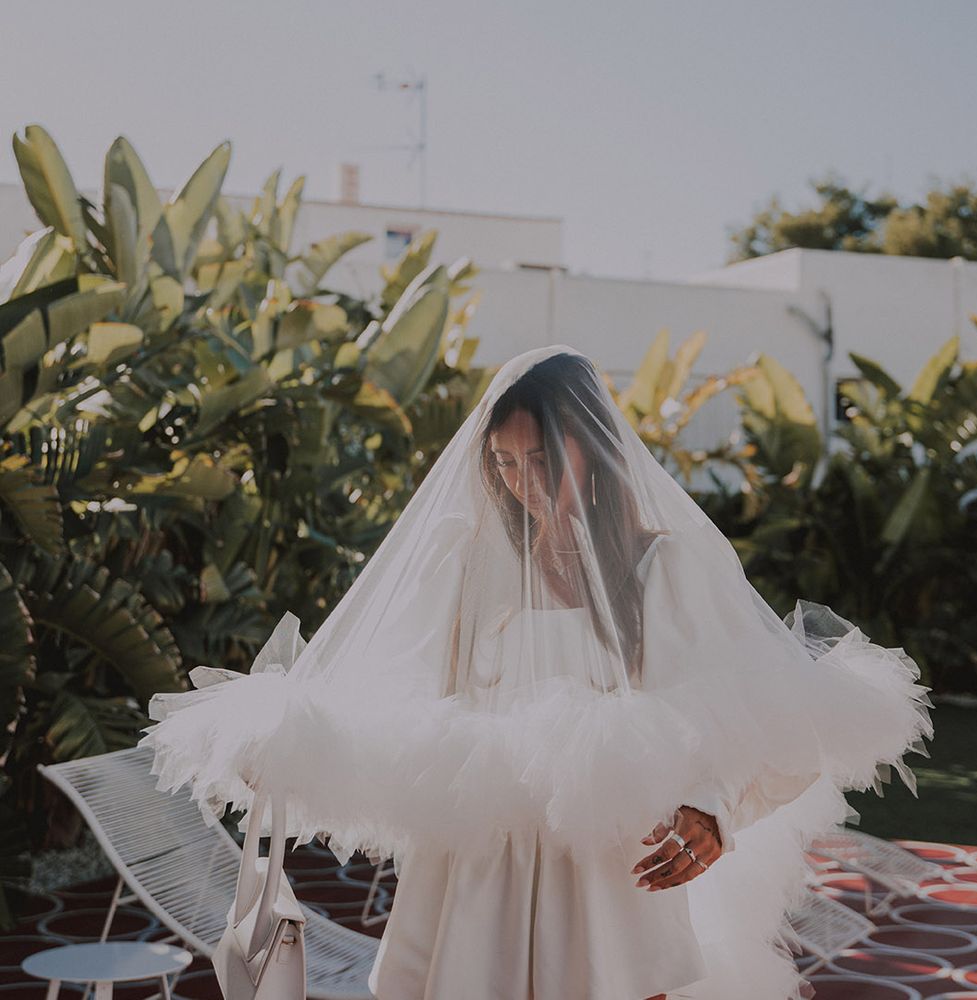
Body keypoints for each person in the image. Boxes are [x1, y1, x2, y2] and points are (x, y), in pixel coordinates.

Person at [141, 344, 933, 999]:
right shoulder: (464, 564)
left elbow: (748, 704)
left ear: (594, 445)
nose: (524, 480)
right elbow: (395, 693)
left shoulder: (663, 566)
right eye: (507, 463)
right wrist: (290, 740)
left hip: (609, 871)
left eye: (541, 457)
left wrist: (711, 810)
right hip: (471, 868)